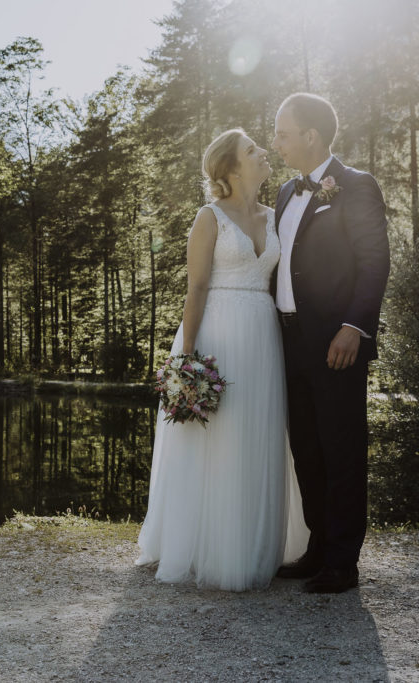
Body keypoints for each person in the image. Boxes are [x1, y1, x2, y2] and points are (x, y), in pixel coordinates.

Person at [136, 128, 308, 591]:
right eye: (252, 149)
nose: (264, 152)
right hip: (216, 333)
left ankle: (252, 544)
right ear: (231, 168)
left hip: (263, 335)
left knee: (257, 432)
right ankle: (207, 546)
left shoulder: (276, 216)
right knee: (215, 436)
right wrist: (186, 359)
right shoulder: (209, 217)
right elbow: (195, 288)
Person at [270, 93, 390, 593]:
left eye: (282, 134)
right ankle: (318, 547)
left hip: (336, 342)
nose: (276, 143)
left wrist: (354, 327)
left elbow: (374, 261)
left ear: (311, 136)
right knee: (306, 448)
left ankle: (343, 562)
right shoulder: (284, 192)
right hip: (287, 341)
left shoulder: (356, 185)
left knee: (341, 449)